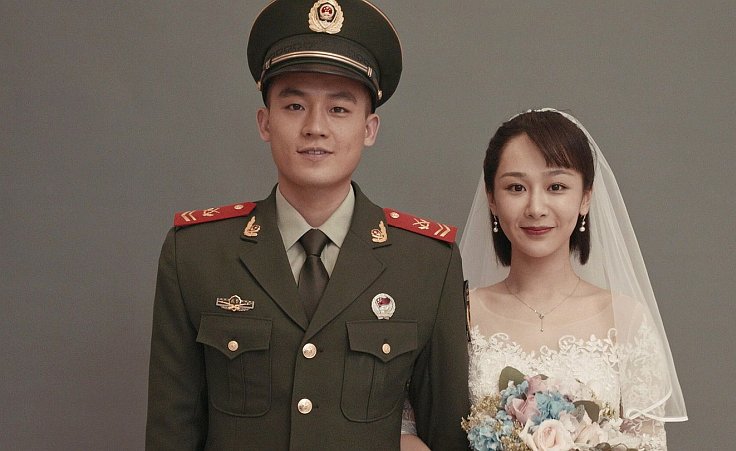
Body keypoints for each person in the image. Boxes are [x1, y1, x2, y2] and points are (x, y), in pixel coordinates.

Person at [145, 1, 470, 449]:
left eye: (339, 109)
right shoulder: (197, 253)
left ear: (370, 128)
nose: (315, 127)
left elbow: (449, 436)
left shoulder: (426, 263)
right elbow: (171, 430)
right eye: (295, 105)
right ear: (265, 122)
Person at [403, 109, 687, 450]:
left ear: (585, 197)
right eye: (516, 187)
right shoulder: (452, 313)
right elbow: (405, 429)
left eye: (556, 187)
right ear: (492, 199)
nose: (535, 208)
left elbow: (648, 444)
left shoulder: (626, 320)